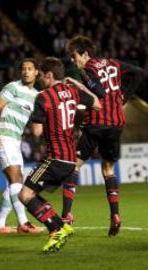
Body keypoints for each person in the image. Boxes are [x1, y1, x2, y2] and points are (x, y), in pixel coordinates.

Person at [63, 35, 144, 236]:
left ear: (85, 54)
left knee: (74, 164)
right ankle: (115, 215)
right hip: (116, 124)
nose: (73, 61)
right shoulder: (114, 63)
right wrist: (126, 93)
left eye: (74, 56)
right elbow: (139, 73)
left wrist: (78, 84)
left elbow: (98, 91)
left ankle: (66, 216)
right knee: (108, 168)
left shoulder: (87, 69)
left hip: (96, 122)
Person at [19, 57, 101, 252]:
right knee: (33, 194)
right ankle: (60, 226)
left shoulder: (43, 97)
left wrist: (34, 117)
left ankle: (55, 229)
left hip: (55, 157)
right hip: (70, 160)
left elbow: (37, 132)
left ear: (49, 75)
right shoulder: (73, 91)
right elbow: (97, 103)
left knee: (25, 195)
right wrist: (79, 85)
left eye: (40, 75)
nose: (39, 79)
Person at [0, 59, 44, 234]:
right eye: (23, 69)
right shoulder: (12, 87)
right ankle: (23, 223)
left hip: (15, 141)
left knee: (15, 181)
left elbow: (36, 130)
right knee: (15, 178)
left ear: (37, 72)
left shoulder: (37, 96)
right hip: (4, 136)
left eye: (30, 69)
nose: (26, 72)